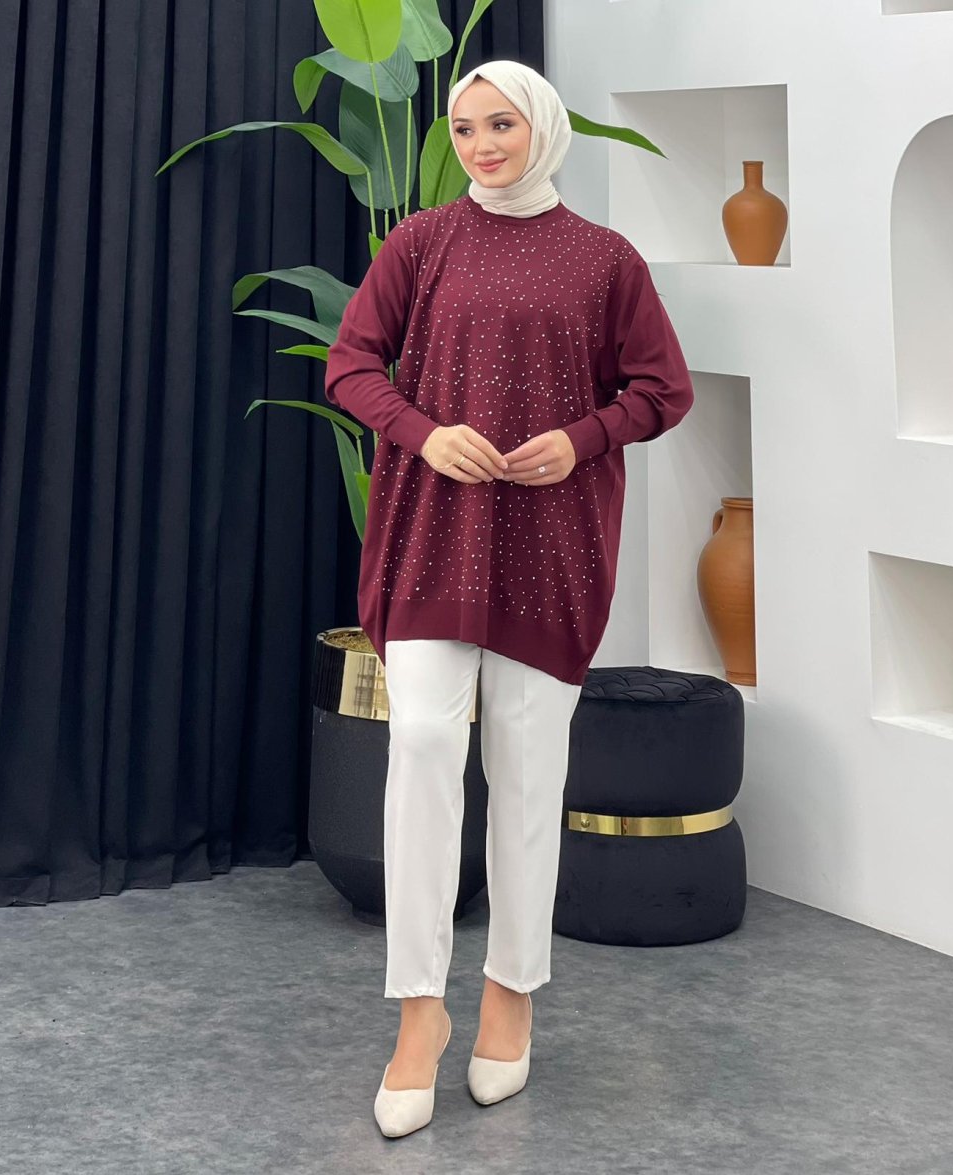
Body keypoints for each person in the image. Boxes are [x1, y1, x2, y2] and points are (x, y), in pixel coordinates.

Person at [323, 58, 694, 1138]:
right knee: (423, 746)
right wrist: (422, 431)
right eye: (464, 128)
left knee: (530, 775)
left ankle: (510, 994)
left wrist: (582, 438)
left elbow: (662, 388)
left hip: (551, 543)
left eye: (501, 125)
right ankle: (419, 1011)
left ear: (541, 128)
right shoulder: (421, 242)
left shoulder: (607, 259)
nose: (481, 145)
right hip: (432, 535)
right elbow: (352, 365)